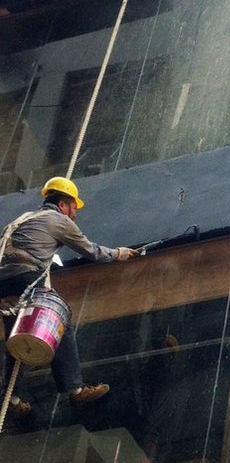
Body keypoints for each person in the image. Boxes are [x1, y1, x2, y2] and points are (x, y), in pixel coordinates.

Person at [0, 176, 139, 416]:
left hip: (4, 283)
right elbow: (91, 251)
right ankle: (76, 390)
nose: (74, 214)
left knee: (19, 337)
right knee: (59, 320)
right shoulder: (58, 220)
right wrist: (119, 254)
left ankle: (10, 398)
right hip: (25, 276)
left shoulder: (21, 220)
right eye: (73, 208)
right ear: (63, 204)